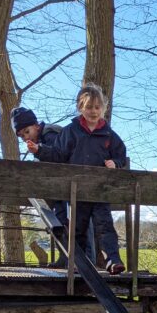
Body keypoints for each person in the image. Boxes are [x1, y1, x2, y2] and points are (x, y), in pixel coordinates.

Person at [27, 83, 126, 275]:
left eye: (97, 107)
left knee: (105, 225)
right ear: (80, 108)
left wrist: (116, 163)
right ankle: (80, 264)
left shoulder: (108, 134)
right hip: (76, 191)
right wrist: (40, 150)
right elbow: (58, 154)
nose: (93, 111)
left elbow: (121, 154)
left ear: (103, 109)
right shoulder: (71, 131)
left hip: (99, 190)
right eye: (89, 107)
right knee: (77, 229)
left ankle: (112, 260)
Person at [10, 106, 68, 267]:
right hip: (60, 188)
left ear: (36, 125)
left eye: (27, 132)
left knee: (71, 220)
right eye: (21, 136)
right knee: (58, 219)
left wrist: (38, 153)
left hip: (72, 185)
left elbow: (56, 157)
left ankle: (80, 260)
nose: (25, 137)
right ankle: (65, 258)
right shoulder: (41, 141)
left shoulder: (50, 134)